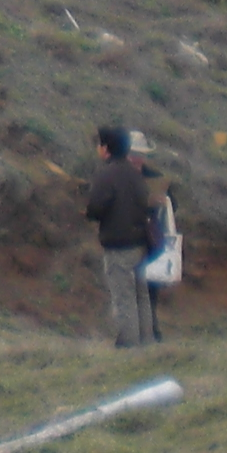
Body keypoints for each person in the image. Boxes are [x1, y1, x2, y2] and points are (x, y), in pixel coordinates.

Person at [81, 126, 157, 348]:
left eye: (99, 144)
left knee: (124, 298)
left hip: (118, 246)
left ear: (106, 148)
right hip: (140, 244)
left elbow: (95, 208)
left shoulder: (107, 174)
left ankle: (129, 346)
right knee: (141, 296)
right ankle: (147, 343)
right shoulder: (135, 175)